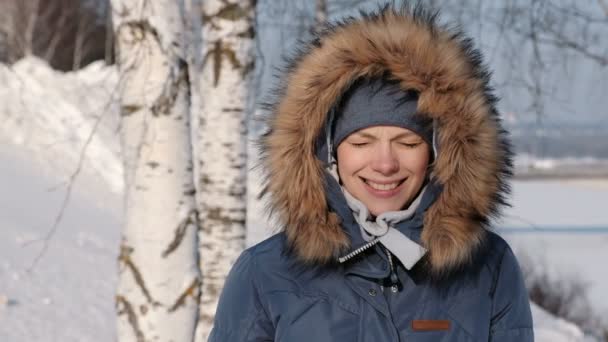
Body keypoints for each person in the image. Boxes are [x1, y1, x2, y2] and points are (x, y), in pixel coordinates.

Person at [209, 3, 533, 341]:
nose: (385, 164)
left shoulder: (489, 269)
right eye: (362, 142)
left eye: (407, 143)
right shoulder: (265, 274)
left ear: (439, 153)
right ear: (329, 151)